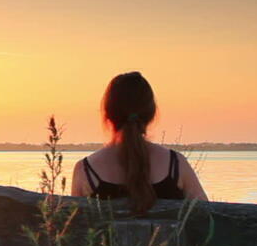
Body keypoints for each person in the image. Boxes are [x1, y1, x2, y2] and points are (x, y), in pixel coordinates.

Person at [70, 71, 207, 212]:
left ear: (107, 113)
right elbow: (207, 216)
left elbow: (73, 227)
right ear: (151, 113)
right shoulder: (176, 164)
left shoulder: (86, 170)